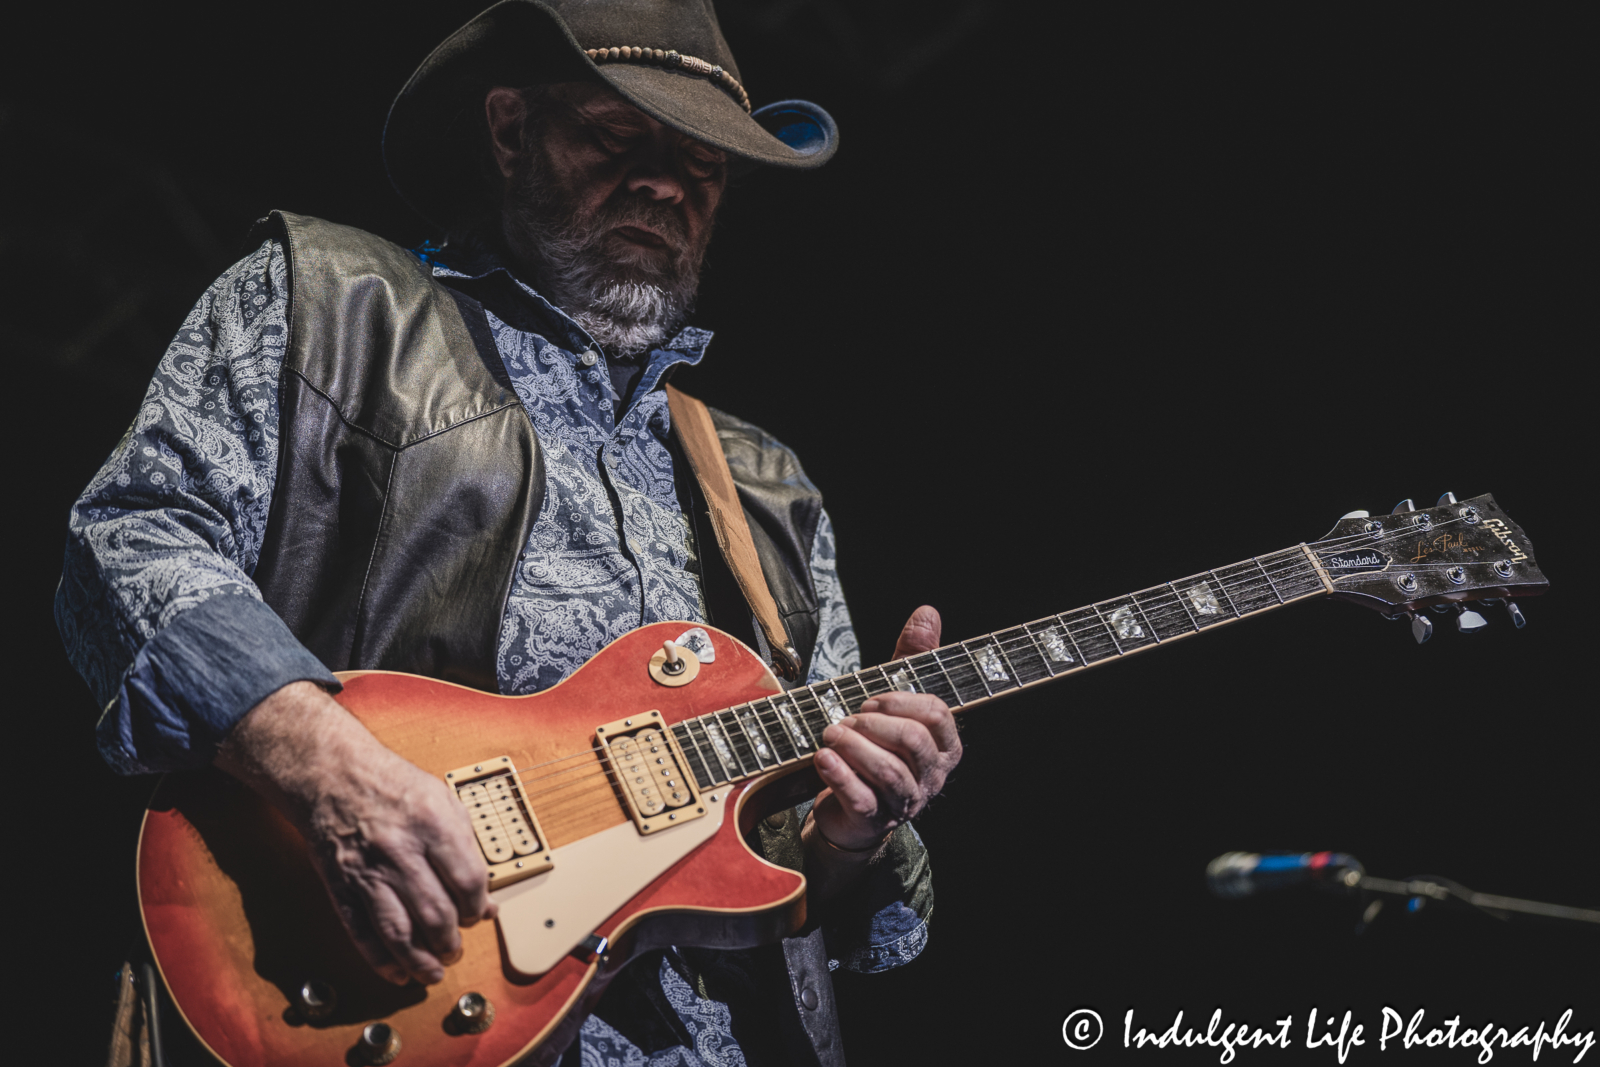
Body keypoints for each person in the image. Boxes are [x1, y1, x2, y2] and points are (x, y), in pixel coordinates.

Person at [57, 1, 962, 1063]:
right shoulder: (331, 305)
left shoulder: (766, 488)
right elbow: (130, 537)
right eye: (619, 135)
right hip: (388, 999)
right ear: (508, 129)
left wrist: (852, 835)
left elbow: (863, 930)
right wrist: (330, 770)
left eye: (702, 163)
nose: (665, 183)